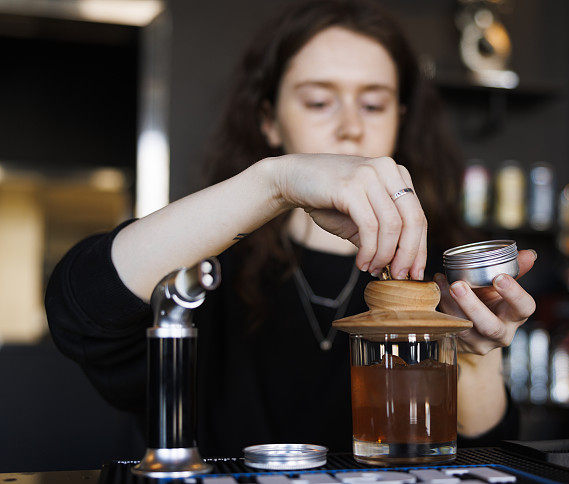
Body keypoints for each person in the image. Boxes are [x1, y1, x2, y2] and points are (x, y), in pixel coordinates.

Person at [45, 0, 537, 457]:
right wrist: (273, 183)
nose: (350, 127)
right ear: (270, 121)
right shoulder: (205, 268)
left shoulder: (436, 280)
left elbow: (488, 451)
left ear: (400, 119)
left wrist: (472, 355)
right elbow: (82, 308)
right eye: (319, 102)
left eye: (373, 104)